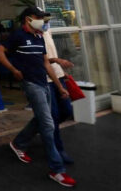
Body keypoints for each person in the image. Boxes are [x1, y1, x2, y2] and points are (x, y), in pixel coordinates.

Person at [0, 7, 76, 188]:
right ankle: (57, 169)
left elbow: (45, 63)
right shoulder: (17, 36)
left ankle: (18, 143)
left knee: (42, 119)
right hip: (31, 84)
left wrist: (58, 86)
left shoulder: (39, 37)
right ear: (28, 19)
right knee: (48, 123)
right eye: (39, 18)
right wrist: (14, 70)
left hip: (45, 84)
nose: (43, 21)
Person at [42, 19, 75, 164]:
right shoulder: (33, 37)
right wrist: (57, 60)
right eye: (42, 19)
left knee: (67, 110)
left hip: (58, 77)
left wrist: (62, 72)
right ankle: (58, 149)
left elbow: (53, 53)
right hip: (46, 81)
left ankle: (43, 127)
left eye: (46, 19)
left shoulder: (48, 32)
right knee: (53, 116)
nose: (45, 22)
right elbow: (42, 61)